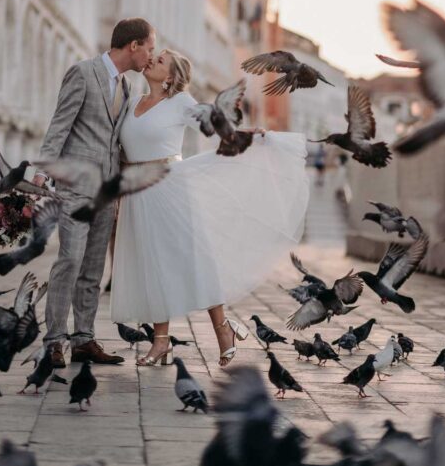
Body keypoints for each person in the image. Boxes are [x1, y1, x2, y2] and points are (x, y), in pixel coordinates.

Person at [110, 49, 309, 368]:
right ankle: (161, 342)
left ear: (171, 76)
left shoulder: (181, 103)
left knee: (192, 260)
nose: (151, 60)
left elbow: (216, 125)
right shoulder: (132, 101)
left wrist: (246, 135)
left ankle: (223, 329)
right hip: (137, 193)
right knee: (153, 264)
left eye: (160, 61)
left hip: (168, 186)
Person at [37, 17, 156, 368]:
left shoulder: (127, 88)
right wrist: (44, 171)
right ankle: (54, 340)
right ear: (133, 45)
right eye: (149, 47)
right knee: (70, 260)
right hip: (75, 188)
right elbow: (60, 124)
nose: (151, 55)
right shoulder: (83, 72)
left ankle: (83, 339)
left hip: (107, 192)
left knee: (93, 268)